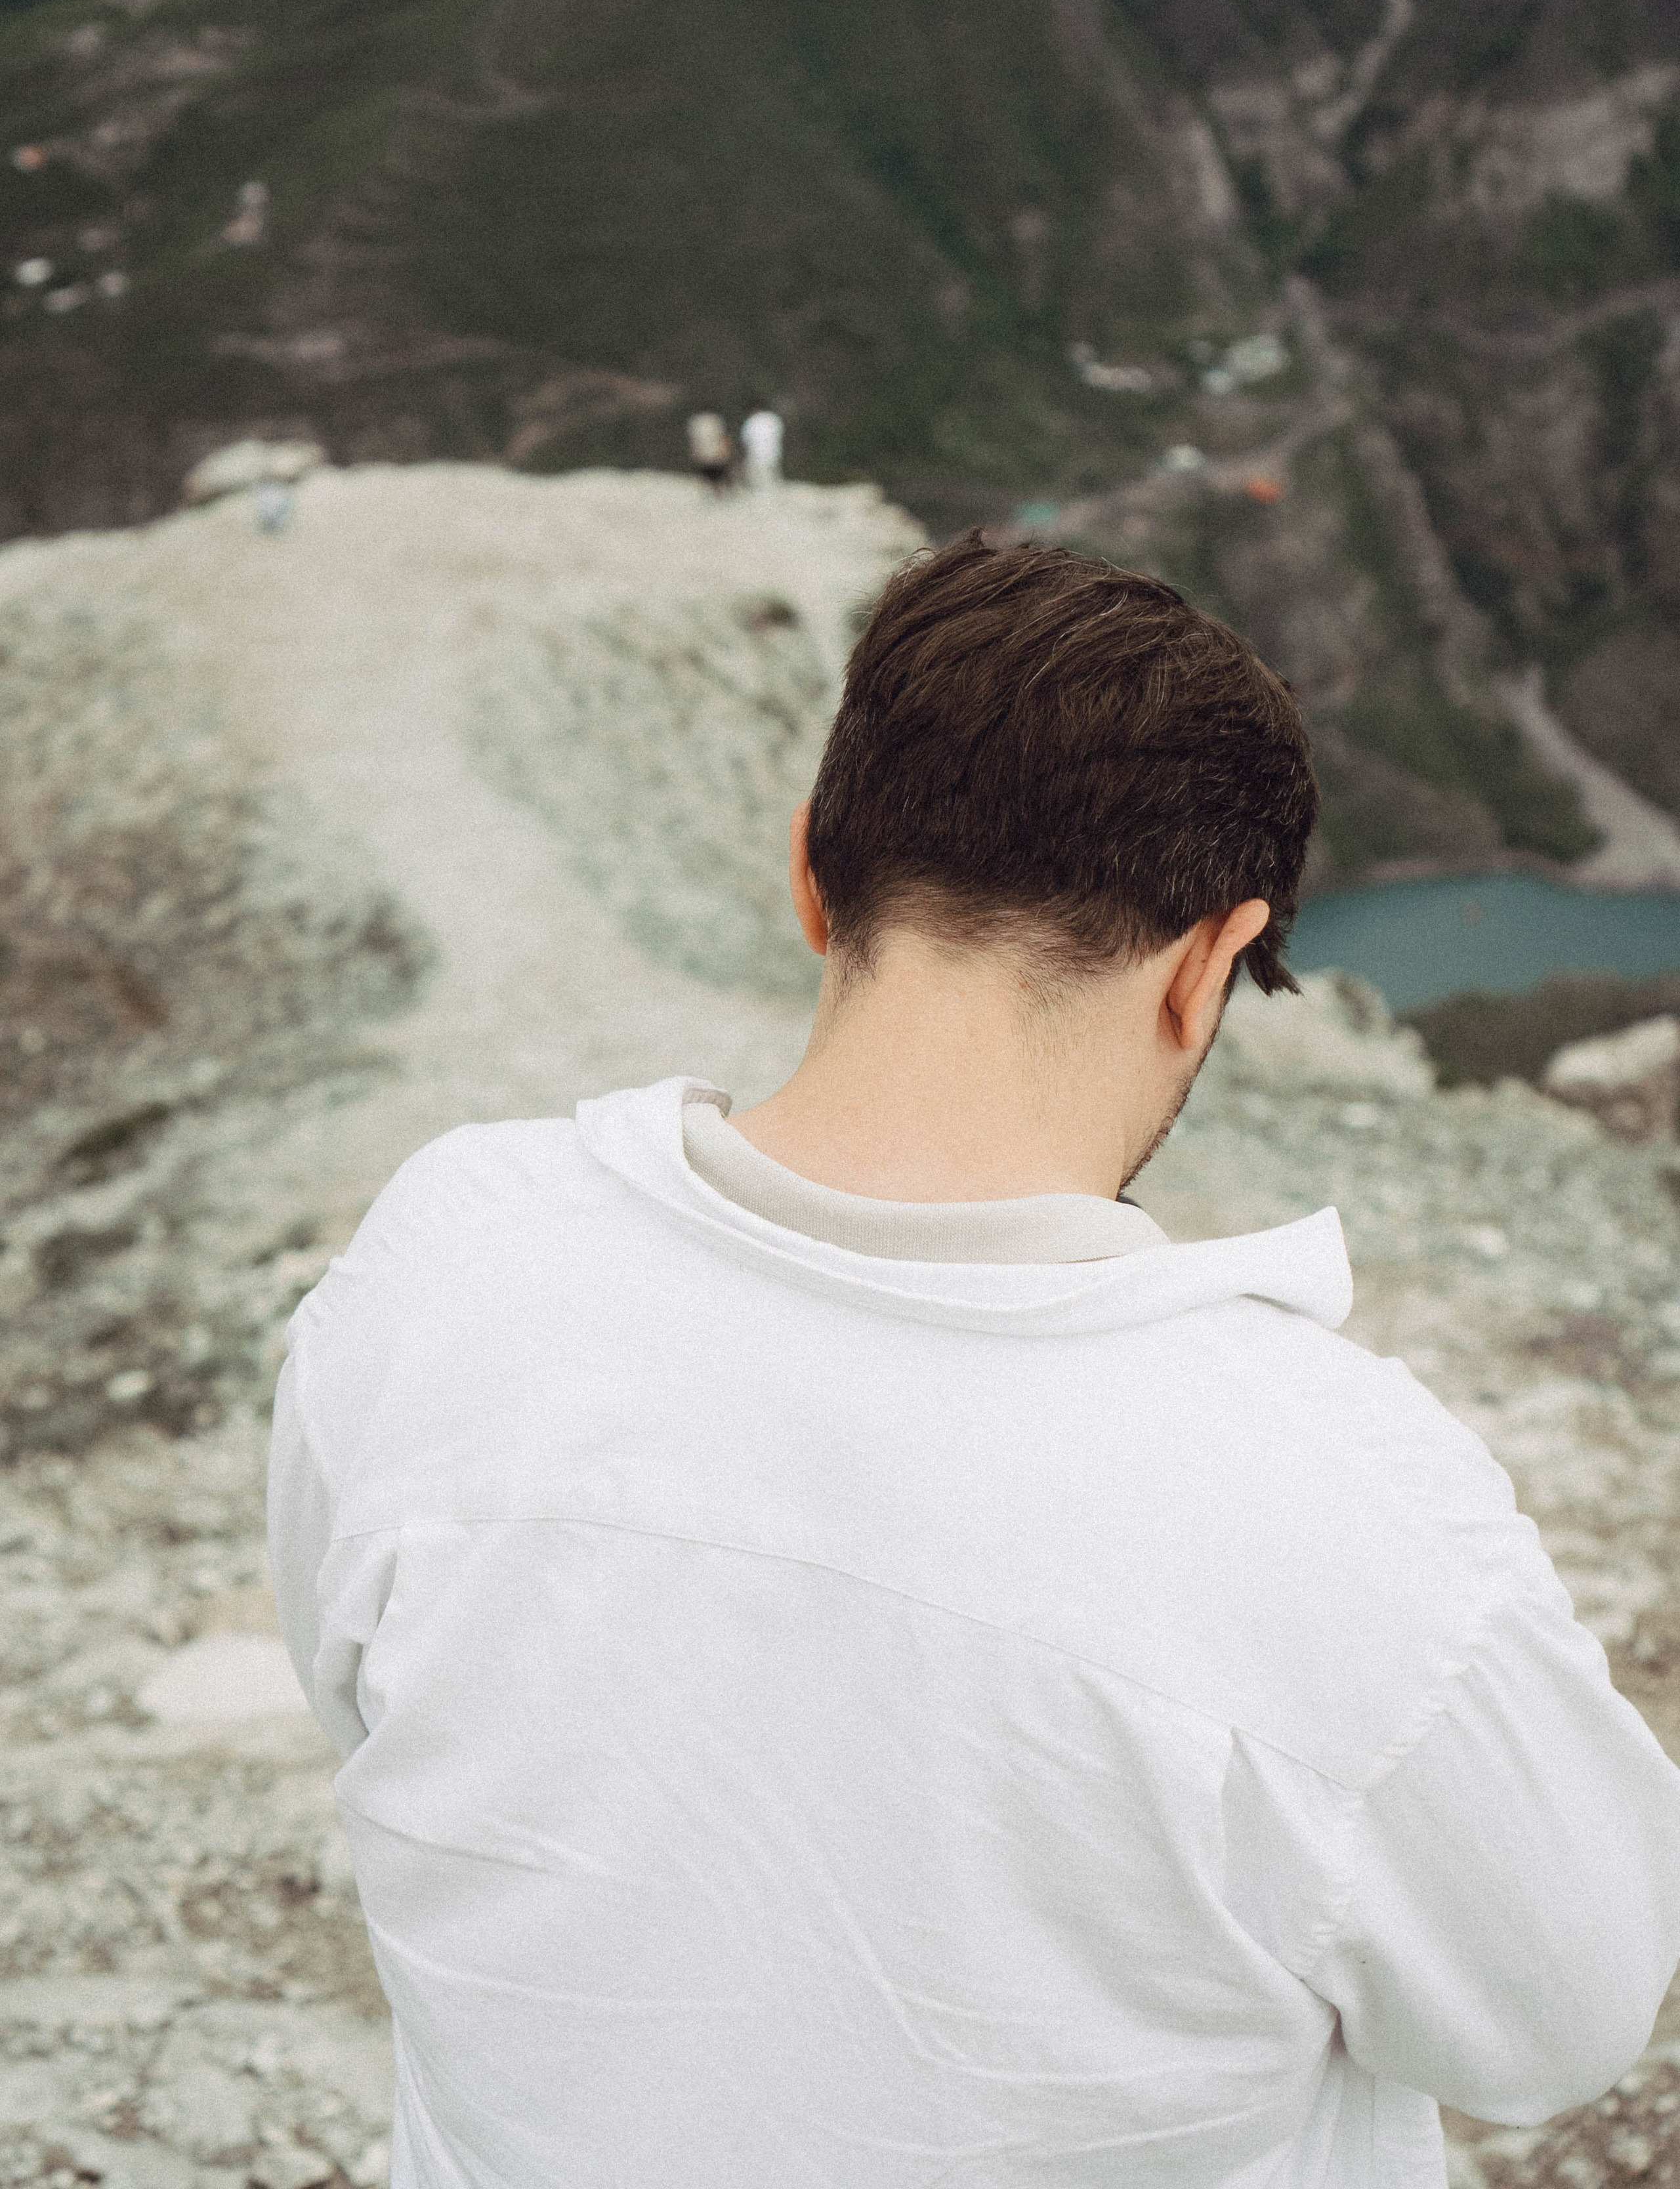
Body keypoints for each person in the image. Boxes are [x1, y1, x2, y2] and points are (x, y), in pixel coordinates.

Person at [269, 535, 1680, 2189]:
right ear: (1200, 966)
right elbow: (1558, 2024)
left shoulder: (446, 1255)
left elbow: (347, 1681)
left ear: (809, 874)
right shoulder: (1341, 1506)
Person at [686, 409, 734, 491]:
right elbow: (724, 437)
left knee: (710, 474)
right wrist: (727, 451)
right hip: (715, 454)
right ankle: (717, 491)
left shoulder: (696, 421)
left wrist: (694, 453)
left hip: (706, 454)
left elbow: (694, 441)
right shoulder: (716, 420)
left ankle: (713, 490)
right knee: (716, 474)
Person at [740, 404, 784, 489]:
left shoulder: (751, 422)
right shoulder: (773, 418)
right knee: (774, 480)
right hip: (775, 454)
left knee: (759, 484)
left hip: (757, 457)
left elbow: (746, 441)